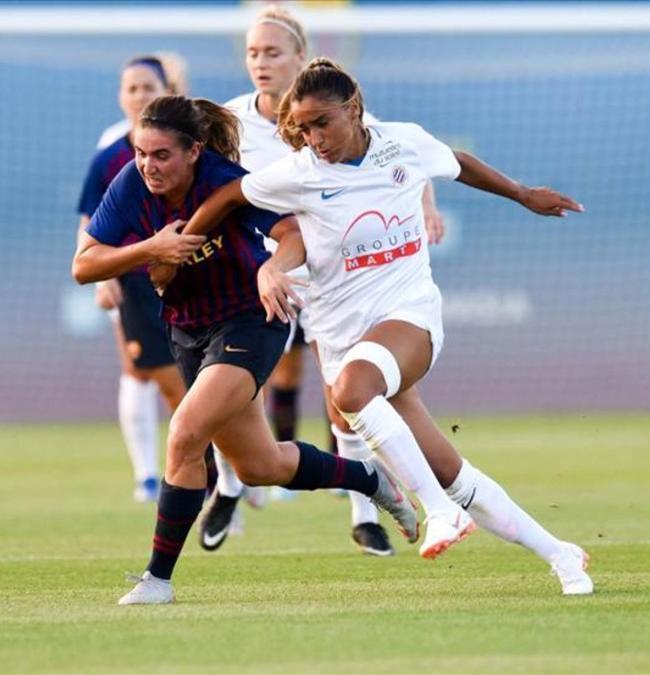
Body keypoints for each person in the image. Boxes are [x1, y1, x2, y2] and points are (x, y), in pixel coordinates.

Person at [159, 59, 594, 595]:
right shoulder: (300, 174)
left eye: (324, 123)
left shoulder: (402, 143)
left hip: (409, 318)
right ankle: (561, 553)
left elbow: (455, 162)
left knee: (353, 393)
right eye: (305, 127)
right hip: (345, 340)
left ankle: (437, 513)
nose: (315, 137)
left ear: (355, 110)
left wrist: (523, 194)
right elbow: (228, 196)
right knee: (450, 473)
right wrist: (177, 254)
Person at [72, 95, 419, 605]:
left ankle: (158, 580)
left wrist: (273, 267)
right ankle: (368, 478)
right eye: (142, 154)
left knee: (186, 434)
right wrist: (150, 249)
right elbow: (84, 265)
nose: (148, 164)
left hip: (250, 321)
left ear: (193, 151)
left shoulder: (226, 179)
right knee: (261, 466)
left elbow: (292, 232)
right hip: (188, 330)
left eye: (161, 154)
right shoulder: (131, 183)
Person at [201, 4, 448, 557]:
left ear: (300, 58)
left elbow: (406, 158)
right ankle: (229, 486)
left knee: (346, 402)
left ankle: (364, 511)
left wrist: (427, 204)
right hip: (257, 274)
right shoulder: (229, 122)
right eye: (252, 53)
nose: (261, 63)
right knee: (233, 383)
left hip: (333, 277)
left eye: (273, 53)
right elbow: (212, 188)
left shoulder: (338, 115)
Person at [78, 55, 180, 502]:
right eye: (131, 88)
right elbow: (91, 220)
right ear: (121, 96)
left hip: (184, 275)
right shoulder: (110, 149)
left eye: (148, 87)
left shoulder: (190, 140)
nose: (139, 95)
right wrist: (103, 274)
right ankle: (147, 476)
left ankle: (225, 475)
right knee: (139, 371)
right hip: (131, 276)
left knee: (195, 375)